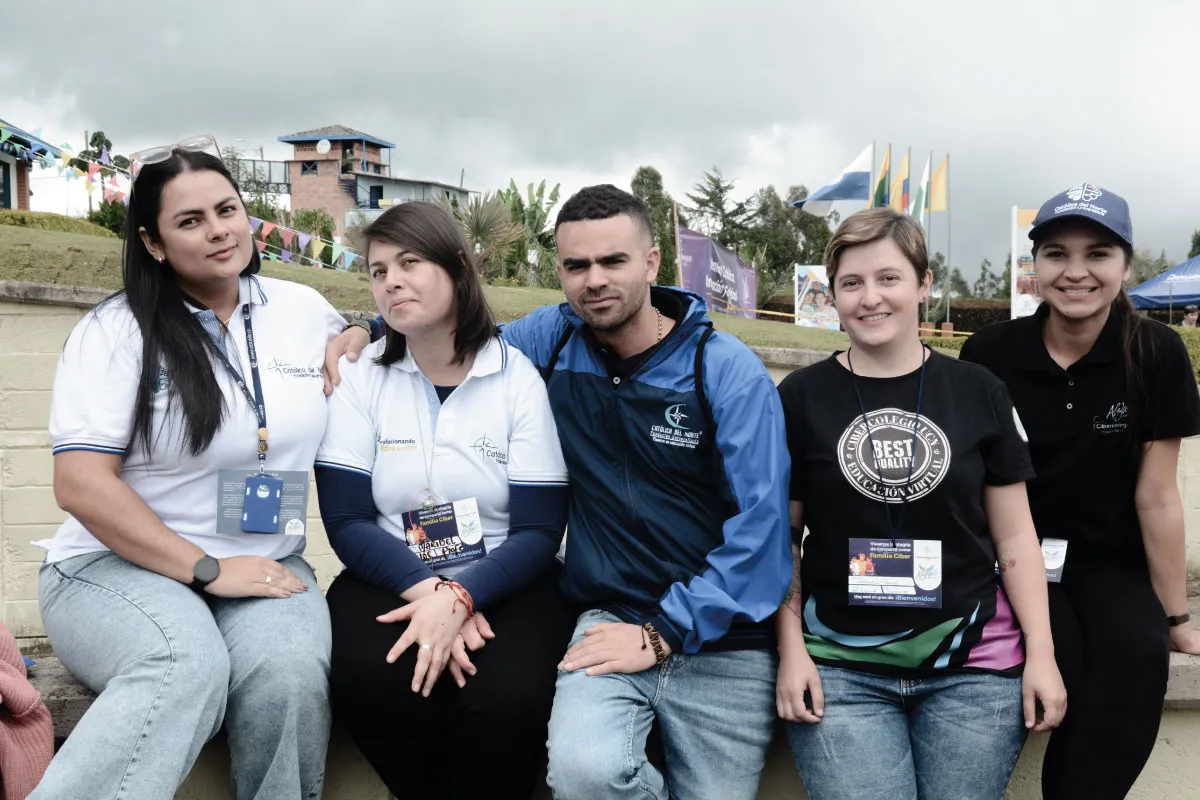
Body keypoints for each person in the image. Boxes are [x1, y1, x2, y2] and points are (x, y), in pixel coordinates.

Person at [327, 184, 793, 800]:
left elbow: (764, 534)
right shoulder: (551, 340)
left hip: (722, 639)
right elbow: (449, 335)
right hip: (606, 617)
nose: (594, 280)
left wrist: (663, 634)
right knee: (583, 773)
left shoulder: (724, 371)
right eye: (577, 266)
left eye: (613, 261)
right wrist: (364, 329)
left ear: (653, 262)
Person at [31, 137, 344, 800]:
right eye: (190, 221)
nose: (218, 232)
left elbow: (366, 335)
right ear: (152, 242)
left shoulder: (302, 310)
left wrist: (362, 336)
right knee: (184, 662)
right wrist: (207, 569)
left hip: (264, 559)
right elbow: (79, 483)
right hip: (113, 569)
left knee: (289, 672)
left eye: (226, 210)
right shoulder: (115, 332)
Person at [776, 208, 1066, 800]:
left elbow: (1014, 538)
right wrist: (790, 653)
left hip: (974, 667)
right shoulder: (800, 398)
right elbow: (782, 539)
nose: (870, 298)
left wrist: (1042, 654)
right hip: (839, 668)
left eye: (889, 278)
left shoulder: (979, 391)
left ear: (924, 285)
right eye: (850, 283)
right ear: (831, 295)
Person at [313, 201, 575, 799]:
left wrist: (464, 594)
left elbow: (540, 530)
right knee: (371, 683)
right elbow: (348, 520)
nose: (391, 282)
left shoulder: (516, 378)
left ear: (458, 269)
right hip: (390, 576)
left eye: (410, 263)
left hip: (508, 578)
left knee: (506, 700)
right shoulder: (361, 376)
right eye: (378, 271)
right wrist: (433, 595)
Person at [959, 183, 1200, 800]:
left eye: (1097, 254)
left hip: (1109, 562)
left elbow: (1157, 497)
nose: (1076, 272)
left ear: (1125, 263)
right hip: (1010, 561)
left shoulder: (1157, 352)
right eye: (1057, 254)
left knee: (1137, 657)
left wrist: (1175, 616)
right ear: (1034, 265)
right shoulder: (990, 353)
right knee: (1060, 655)